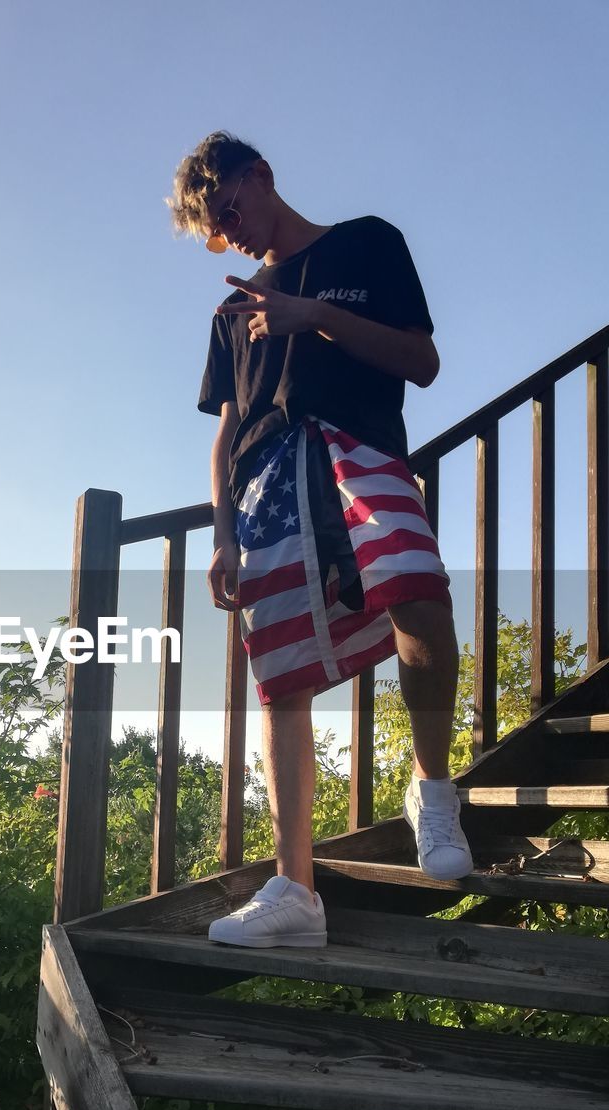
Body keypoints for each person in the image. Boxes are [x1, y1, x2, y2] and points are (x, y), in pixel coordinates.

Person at [167, 131, 473, 949]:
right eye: (218, 230)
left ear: (260, 175)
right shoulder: (232, 308)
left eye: (231, 210)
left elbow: (422, 361)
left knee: (418, 597)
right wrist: (222, 535)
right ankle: (294, 888)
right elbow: (226, 429)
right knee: (281, 677)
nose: (232, 234)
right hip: (267, 481)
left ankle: (432, 790)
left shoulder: (368, 242)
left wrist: (315, 317)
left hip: (360, 448)